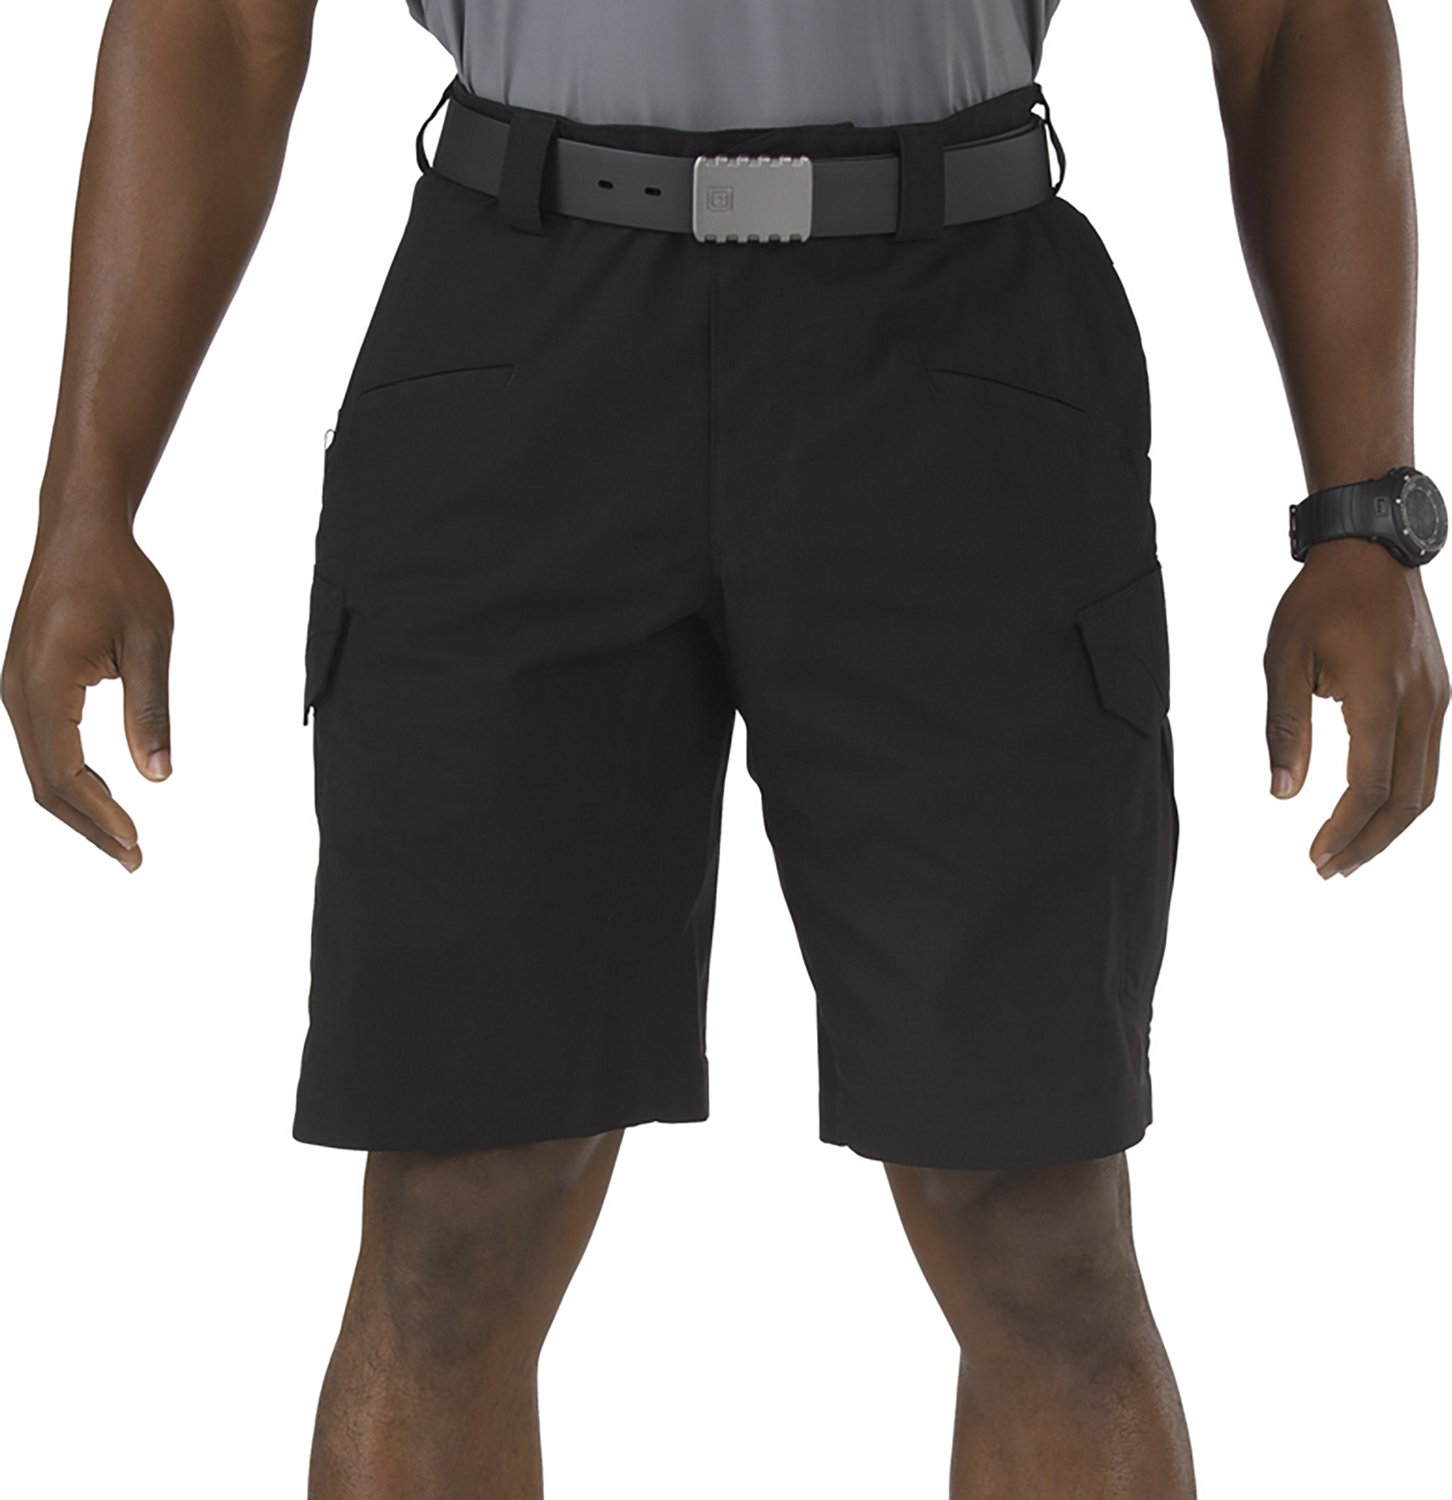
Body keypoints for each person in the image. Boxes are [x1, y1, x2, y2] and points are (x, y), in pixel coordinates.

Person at [3, 1, 1446, 1496]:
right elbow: (226, 24)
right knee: (456, 1207)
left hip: (957, 347)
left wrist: (1366, 514)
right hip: (515, 341)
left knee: (1032, 1220)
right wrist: (88, 500)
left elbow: (1292, 22)